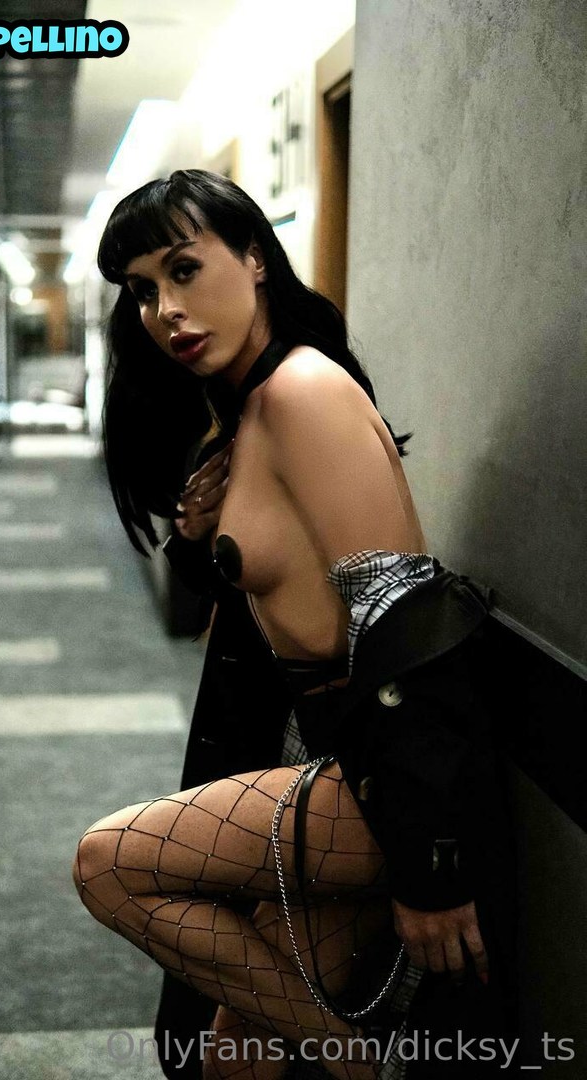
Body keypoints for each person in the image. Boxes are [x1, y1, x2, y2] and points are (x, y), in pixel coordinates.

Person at [73, 169, 517, 1079]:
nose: (165, 310)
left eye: (184, 270)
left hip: (378, 783)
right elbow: (274, 592)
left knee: (109, 865)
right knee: (239, 1058)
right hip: (322, 762)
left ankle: (360, 1067)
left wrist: (429, 866)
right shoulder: (249, 409)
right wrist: (199, 538)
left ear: (255, 258)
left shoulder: (302, 393)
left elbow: (405, 625)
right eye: (143, 291)